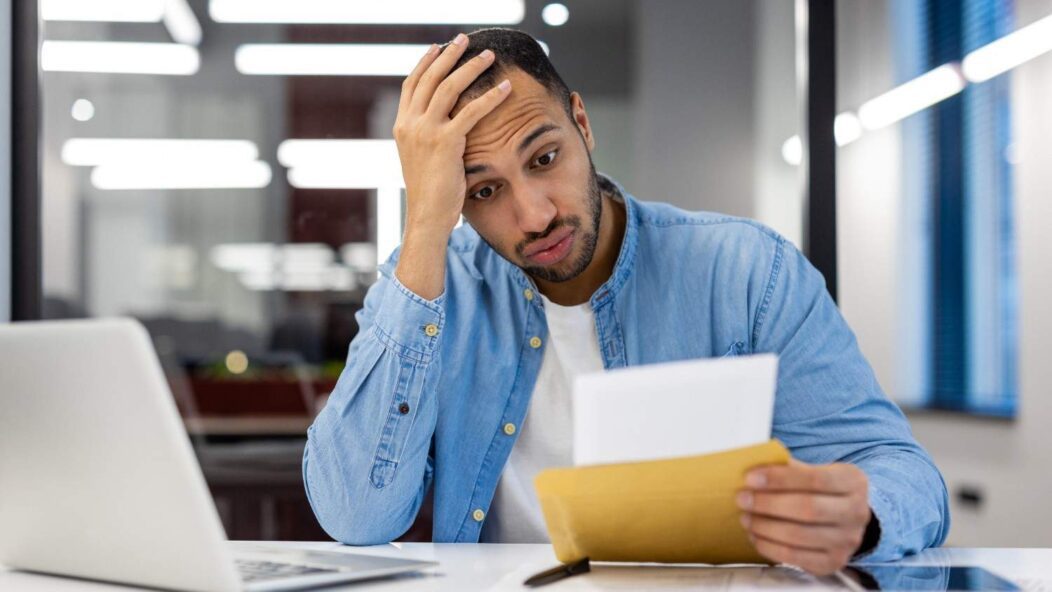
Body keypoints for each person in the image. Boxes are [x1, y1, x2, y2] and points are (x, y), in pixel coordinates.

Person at [302, 28, 949, 576]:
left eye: (545, 157)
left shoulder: (748, 274)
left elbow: (903, 476)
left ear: (582, 124)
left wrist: (860, 515)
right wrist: (423, 229)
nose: (534, 214)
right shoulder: (434, 292)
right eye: (484, 192)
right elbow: (356, 515)